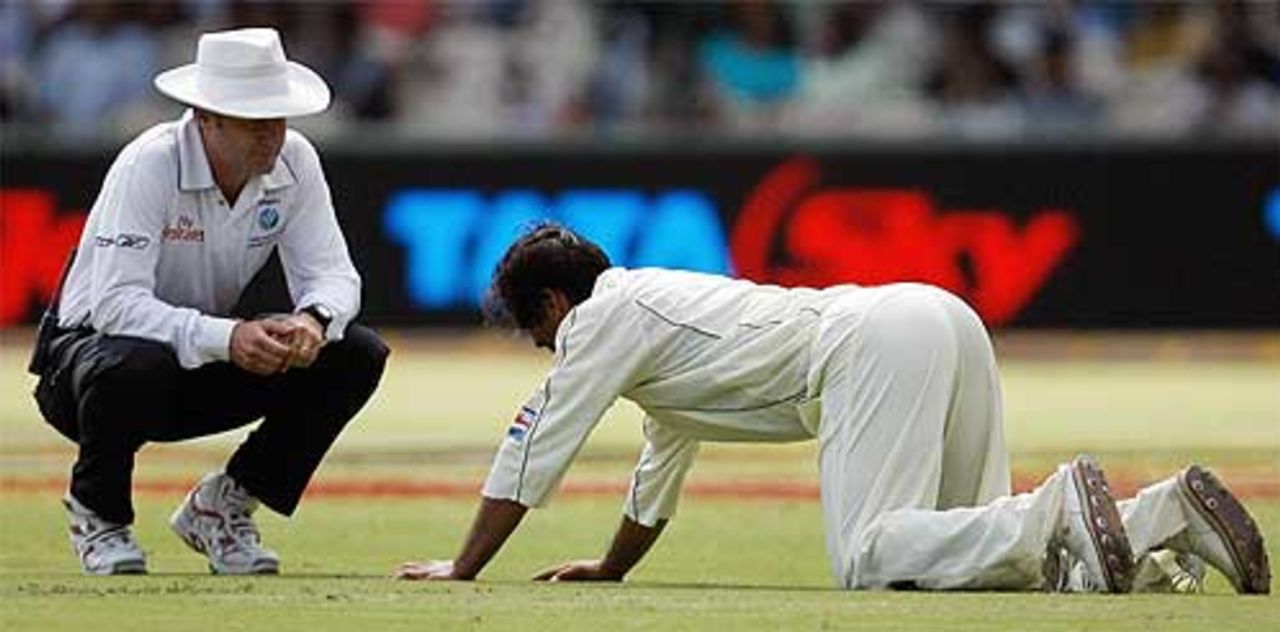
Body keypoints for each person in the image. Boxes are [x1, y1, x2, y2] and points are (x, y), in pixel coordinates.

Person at [395, 223, 1269, 595]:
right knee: (969, 556)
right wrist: (612, 568)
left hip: (869, 343)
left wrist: (462, 568)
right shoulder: (655, 334)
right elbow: (657, 472)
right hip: (936, 319)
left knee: (869, 558)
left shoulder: (601, 320)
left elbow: (535, 439)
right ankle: (1161, 518)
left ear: (551, 306)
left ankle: (1055, 508)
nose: (540, 346)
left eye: (530, 328)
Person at [27, 27, 389, 575]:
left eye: (279, 117)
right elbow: (115, 307)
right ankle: (98, 513)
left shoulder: (295, 160)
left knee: (356, 352)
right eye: (253, 120)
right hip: (82, 371)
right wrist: (228, 336)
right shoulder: (148, 163)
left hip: (192, 362)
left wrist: (312, 321)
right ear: (205, 119)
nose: (272, 134)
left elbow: (334, 275)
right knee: (134, 360)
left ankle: (223, 506)